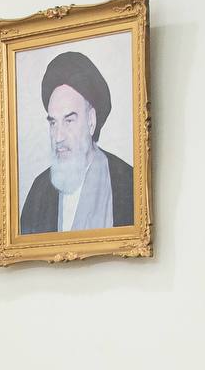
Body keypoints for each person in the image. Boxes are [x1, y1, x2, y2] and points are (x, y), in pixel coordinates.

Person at [19, 49, 136, 235]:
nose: (58, 137)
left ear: (91, 121)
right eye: (53, 123)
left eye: (69, 121)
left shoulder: (128, 184)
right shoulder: (39, 192)